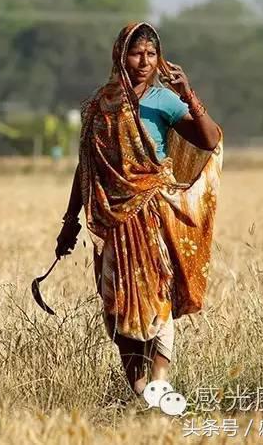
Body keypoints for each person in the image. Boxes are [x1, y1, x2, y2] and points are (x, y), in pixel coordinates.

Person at [55, 22, 223, 397]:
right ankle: (140, 391)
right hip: (113, 219)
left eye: (151, 54)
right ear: (120, 56)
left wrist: (188, 95)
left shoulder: (165, 100)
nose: (144, 61)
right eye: (136, 53)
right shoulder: (101, 106)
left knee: (158, 294)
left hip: (152, 213)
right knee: (118, 303)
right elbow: (87, 167)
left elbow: (209, 139)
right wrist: (70, 221)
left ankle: (160, 382)